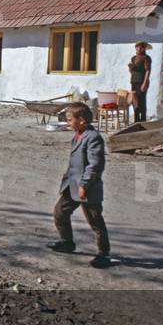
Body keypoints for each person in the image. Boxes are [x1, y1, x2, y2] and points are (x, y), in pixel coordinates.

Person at [47, 102, 111, 269]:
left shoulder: (93, 137)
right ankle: (67, 242)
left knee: (95, 221)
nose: (68, 122)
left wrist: (84, 185)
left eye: (70, 119)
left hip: (88, 188)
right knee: (60, 212)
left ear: (81, 120)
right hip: (72, 185)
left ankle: (104, 254)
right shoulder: (78, 135)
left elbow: (94, 165)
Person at [127, 42, 152, 122]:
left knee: (142, 101)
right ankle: (136, 120)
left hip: (142, 82)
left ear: (144, 48)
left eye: (141, 47)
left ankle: (143, 120)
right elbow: (131, 71)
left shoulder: (146, 58)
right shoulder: (133, 58)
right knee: (135, 101)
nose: (138, 48)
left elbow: (147, 71)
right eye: (137, 47)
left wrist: (145, 83)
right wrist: (130, 68)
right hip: (133, 81)